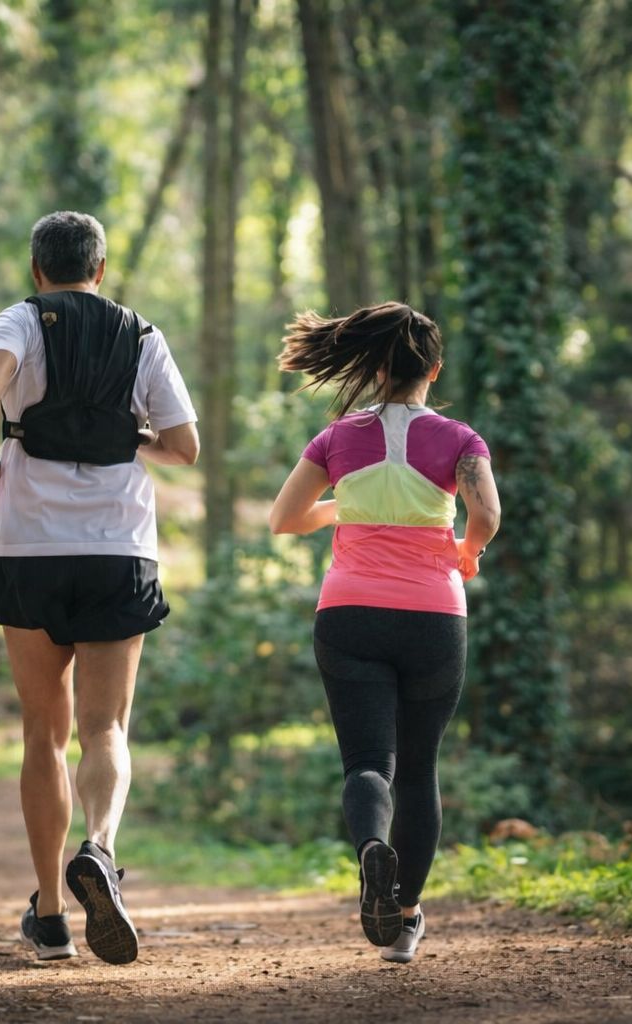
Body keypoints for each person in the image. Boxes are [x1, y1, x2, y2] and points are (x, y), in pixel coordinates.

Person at [0, 211, 200, 965]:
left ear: (38, 270)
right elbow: (185, 447)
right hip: (116, 549)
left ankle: (51, 914)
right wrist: (122, 435)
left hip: (28, 548)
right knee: (107, 729)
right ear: (100, 269)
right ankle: (99, 849)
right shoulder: (140, 334)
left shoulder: (21, 321)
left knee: (45, 734)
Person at [267, 302, 501, 963]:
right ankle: (403, 920)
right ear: (433, 368)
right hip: (433, 616)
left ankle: (374, 849)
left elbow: (284, 519)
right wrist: (468, 547)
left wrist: (344, 506)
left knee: (369, 763)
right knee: (420, 767)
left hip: (350, 613)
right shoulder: (460, 438)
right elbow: (486, 512)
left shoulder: (337, 437)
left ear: (373, 368)